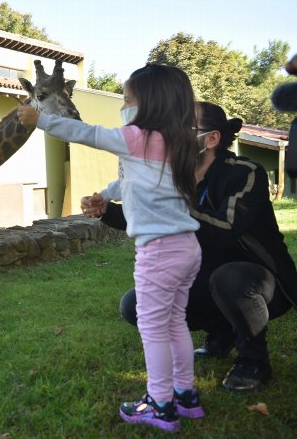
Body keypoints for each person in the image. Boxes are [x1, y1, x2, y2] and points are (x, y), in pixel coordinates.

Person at [18, 63, 203, 433]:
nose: (123, 106)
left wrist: (39, 119)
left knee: (152, 328)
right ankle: (185, 395)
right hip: (187, 249)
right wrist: (104, 194)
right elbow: (132, 181)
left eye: (127, 99)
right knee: (175, 322)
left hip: (159, 253)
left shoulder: (137, 136)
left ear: (149, 102)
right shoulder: (179, 141)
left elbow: (87, 133)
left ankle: (160, 404)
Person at [84, 101, 297, 393]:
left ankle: (254, 360)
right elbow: (147, 217)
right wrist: (107, 209)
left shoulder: (246, 172)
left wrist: (170, 204)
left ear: (211, 139)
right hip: (204, 275)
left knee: (228, 277)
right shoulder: (174, 176)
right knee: (135, 305)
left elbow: (227, 231)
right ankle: (219, 334)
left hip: (260, 283)